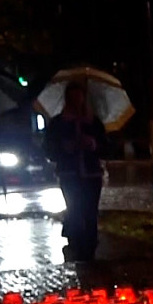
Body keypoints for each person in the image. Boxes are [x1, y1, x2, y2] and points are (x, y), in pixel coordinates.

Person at [43, 80, 107, 262]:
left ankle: (90, 248)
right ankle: (76, 244)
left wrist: (93, 144)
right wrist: (65, 147)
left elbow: (106, 146)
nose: (77, 101)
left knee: (90, 212)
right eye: (73, 98)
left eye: (79, 97)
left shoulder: (93, 122)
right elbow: (48, 149)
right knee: (75, 209)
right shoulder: (58, 123)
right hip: (69, 174)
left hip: (92, 174)